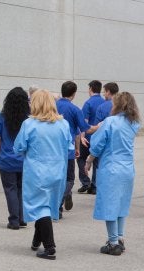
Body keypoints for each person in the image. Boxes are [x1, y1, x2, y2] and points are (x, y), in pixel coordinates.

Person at [14, 90, 72, 260]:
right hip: (58, 170)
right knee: (46, 205)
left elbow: (18, 147)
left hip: (37, 171)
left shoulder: (29, 124)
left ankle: (50, 247)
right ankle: (36, 240)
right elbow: (69, 148)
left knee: (39, 206)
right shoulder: (63, 124)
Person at [85, 92, 140, 256]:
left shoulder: (110, 122)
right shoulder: (134, 123)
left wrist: (89, 159)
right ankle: (120, 237)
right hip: (127, 168)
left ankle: (113, 242)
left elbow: (98, 143)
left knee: (110, 204)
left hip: (112, 167)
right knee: (122, 204)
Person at [55, 81, 95, 219]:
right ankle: (58, 204)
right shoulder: (74, 109)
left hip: (52, 149)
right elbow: (84, 129)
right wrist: (101, 125)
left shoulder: (52, 106)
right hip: (67, 149)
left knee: (56, 177)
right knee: (69, 178)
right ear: (74, 94)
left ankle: (66, 197)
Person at [0, 87, 29, 230]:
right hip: (24, 159)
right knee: (21, 189)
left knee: (10, 189)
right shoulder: (28, 118)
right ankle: (22, 218)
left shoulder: (2, 116)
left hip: (7, 158)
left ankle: (13, 220)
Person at [77, 80, 105, 194]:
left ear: (90, 89)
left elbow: (84, 122)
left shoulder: (88, 103)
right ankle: (94, 186)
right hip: (100, 137)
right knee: (97, 161)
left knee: (81, 158)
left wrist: (82, 137)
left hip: (88, 137)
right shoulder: (104, 103)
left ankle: (85, 182)